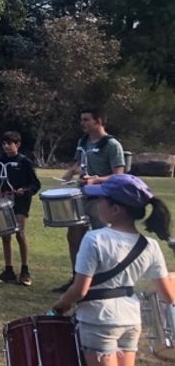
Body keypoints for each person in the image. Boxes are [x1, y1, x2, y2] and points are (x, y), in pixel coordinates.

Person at [49, 174, 174, 366]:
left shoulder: (96, 239)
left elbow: (80, 289)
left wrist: (58, 308)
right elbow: (167, 295)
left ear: (116, 209)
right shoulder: (149, 245)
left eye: (102, 200)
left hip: (99, 320)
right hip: (130, 320)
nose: (97, 205)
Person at [55, 108, 127, 294]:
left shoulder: (111, 145)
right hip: (81, 196)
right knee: (74, 237)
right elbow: (79, 164)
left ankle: (104, 282)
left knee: (101, 239)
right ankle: (77, 280)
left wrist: (96, 180)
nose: (82, 123)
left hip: (102, 199)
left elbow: (119, 175)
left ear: (99, 120)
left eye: (86, 119)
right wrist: (71, 172)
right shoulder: (83, 141)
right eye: (82, 119)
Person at [0, 131, 42, 286]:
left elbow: (35, 184)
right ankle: (8, 270)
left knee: (20, 233)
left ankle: (25, 271)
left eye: (9, 144)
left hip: (21, 201)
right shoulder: (0, 161)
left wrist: (25, 190)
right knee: (5, 234)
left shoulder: (24, 162)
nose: (6, 147)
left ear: (17, 144)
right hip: (4, 199)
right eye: (4, 144)